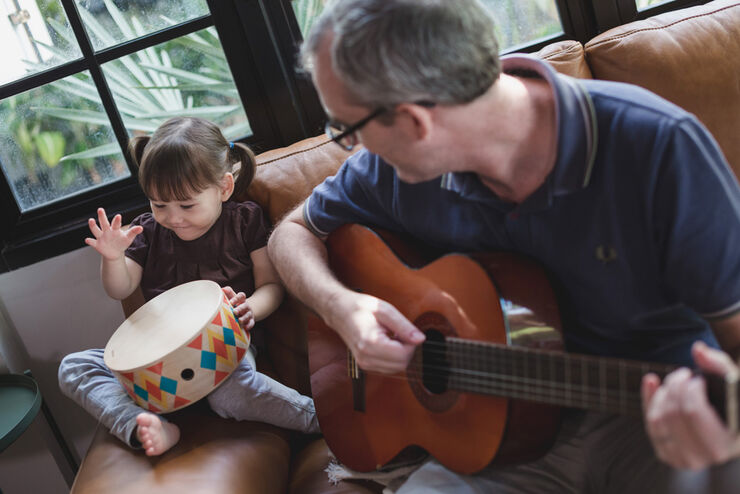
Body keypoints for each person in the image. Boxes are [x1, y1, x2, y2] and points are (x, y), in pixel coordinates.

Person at [267, 0, 740, 491]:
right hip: (491, 434)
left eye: (346, 130)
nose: (354, 149)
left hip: (657, 419)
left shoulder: (659, 147)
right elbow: (291, 234)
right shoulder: (387, 175)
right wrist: (341, 306)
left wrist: (723, 428)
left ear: (414, 122)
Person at [59, 117, 318, 457]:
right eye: (159, 205)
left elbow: (272, 285)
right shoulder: (148, 232)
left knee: (228, 394)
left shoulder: (244, 220)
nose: (174, 217)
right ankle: (143, 426)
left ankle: (322, 420)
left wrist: (250, 308)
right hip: (157, 359)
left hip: (223, 348)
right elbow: (120, 289)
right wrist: (112, 258)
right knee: (74, 367)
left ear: (223, 188)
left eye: (187, 205)